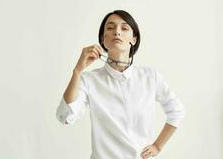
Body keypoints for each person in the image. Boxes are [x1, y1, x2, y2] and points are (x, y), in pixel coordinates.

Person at [56, 10, 185, 159]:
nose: (117, 32)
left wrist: (157, 146)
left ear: (134, 39)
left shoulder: (150, 77)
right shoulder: (89, 80)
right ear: (103, 39)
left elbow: (177, 111)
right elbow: (65, 116)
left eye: (124, 28)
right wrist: (77, 71)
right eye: (110, 28)